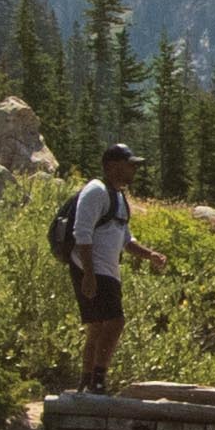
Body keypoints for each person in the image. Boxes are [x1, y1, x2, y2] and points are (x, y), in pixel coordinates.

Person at [52, 141, 166, 390]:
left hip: (107, 271)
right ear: (113, 166)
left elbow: (126, 239)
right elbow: (81, 232)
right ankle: (99, 382)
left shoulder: (119, 197)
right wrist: (89, 274)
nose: (134, 170)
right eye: (130, 165)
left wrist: (150, 255)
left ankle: (86, 381)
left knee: (97, 327)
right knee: (115, 322)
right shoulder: (95, 191)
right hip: (91, 268)